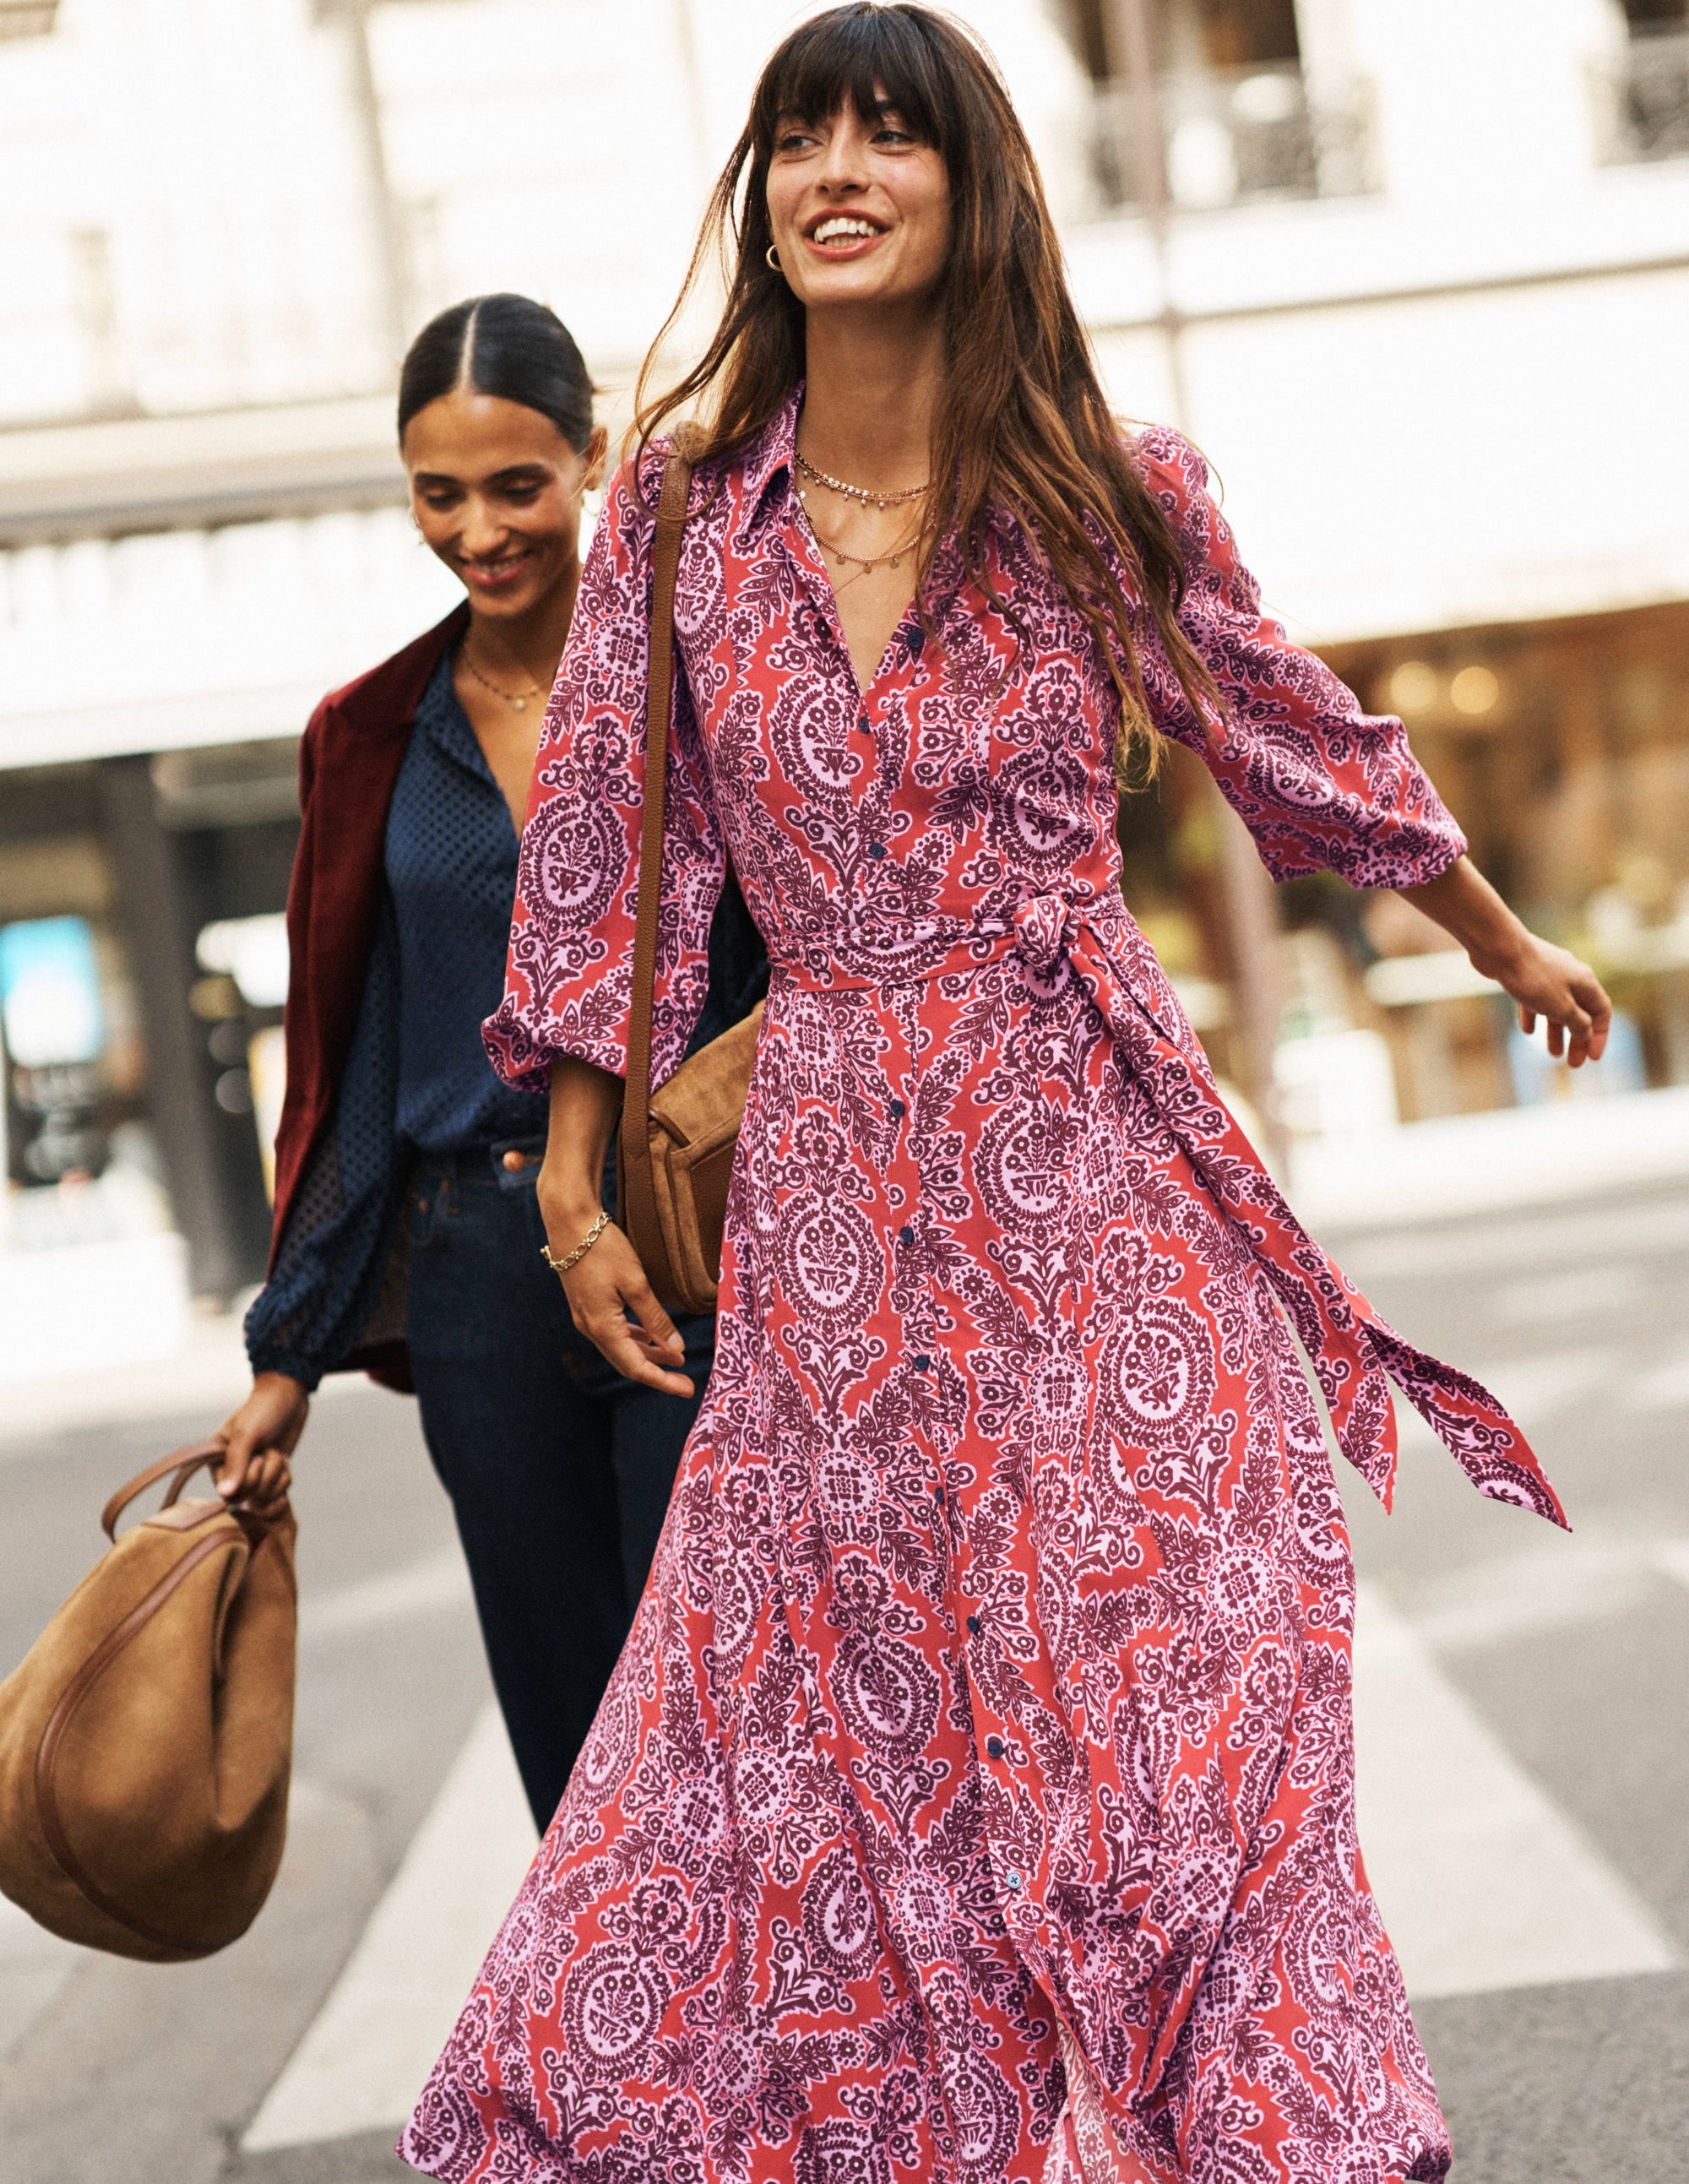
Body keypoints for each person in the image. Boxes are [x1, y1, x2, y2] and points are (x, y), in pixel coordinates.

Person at [404, 14, 1610, 2182]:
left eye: (885, 132)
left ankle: (1266, 2125)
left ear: (971, 184)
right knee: (860, 1731)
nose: (833, 170)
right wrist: (576, 1190)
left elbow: (1279, 725)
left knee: (1202, 1650)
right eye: (797, 136)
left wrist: (1498, 936)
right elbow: (619, 851)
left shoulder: (1100, 480)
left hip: (1095, 1165)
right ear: (759, 193)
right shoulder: (684, 502)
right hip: (839, 1216)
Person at [214, 294, 767, 1833]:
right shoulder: (374, 736)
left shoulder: (701, 679)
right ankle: (635, 2070)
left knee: (731, 1687)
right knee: (570, 1725)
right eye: (437, 495)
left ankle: (795, 2056)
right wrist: (285, 1357)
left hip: (695, 1242)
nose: (478, 530)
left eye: (515, 485)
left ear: (590, 455)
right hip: (478, 1265)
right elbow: (361, 1059)